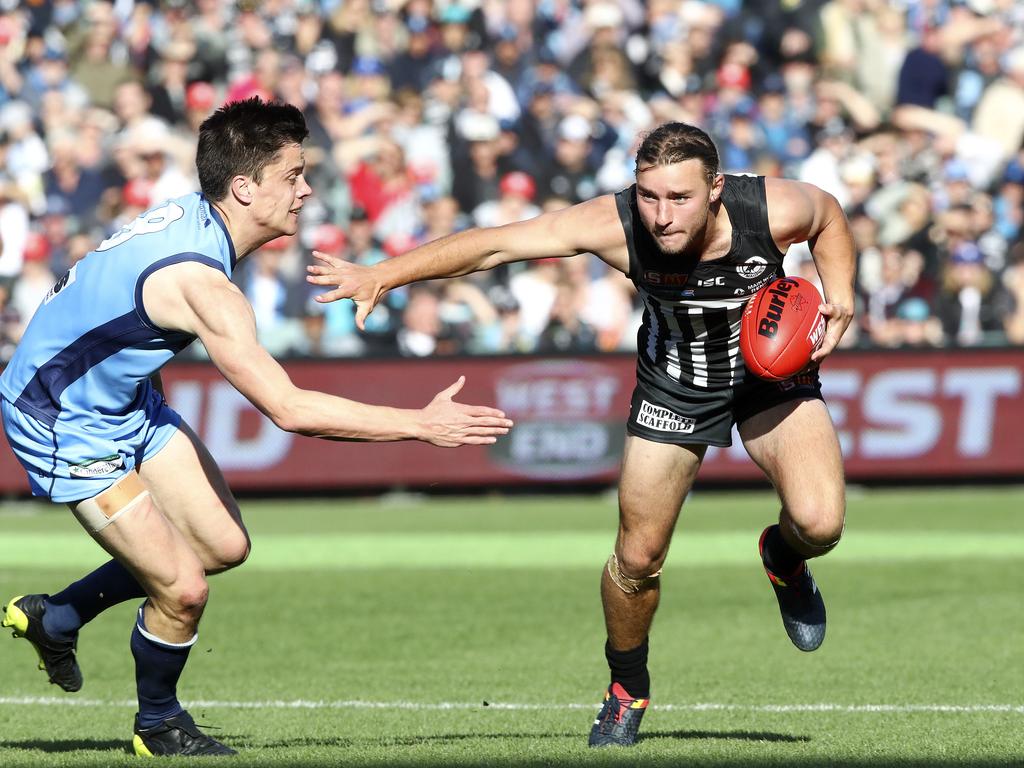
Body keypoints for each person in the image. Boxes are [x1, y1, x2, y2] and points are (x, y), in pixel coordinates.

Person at [307, 122, 855, 748]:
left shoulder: (772, 207)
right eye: (649, 196)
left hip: (768, 377)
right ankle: (627, 687)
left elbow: (830, 216)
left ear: (716, 189)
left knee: (820, 525)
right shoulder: (613, 222)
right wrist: (385, 274)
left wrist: (842, 297)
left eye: (679, 198)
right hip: (674, 383)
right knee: (639, 556)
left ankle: (783, 558)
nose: (661, 215)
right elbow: (494, 246)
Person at [0, 98, 512, 757]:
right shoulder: (201, 281)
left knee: (221, 546)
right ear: (244, 187)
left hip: (123, 399)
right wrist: (420, 423)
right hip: (61, 421)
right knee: (183, 589)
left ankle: (58, 616)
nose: (306, 190)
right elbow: (289, 409)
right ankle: (157, 725)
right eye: (294, 175)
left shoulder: (199, 217)